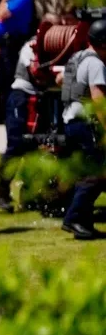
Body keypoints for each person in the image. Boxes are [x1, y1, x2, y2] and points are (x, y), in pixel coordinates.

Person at [0, 13, 62, 212]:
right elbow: (37, 74)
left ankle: (29, 195)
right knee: (16, 145)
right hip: (21, 98)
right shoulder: (31, 46)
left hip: (41, 99)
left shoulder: (58, 49)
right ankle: (0, 191)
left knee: (35, 147)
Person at [58, 19, 106, 240]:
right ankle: (74, 218)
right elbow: (98, 100)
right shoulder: (96, 64)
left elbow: (60, 79)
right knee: (97, 173)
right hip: (85, 124)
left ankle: (84, 224)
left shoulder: (76, 58)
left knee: (83, 174)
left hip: (70, 122)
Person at [0, 0, 37, 121]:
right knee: (2, 79)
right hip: (4, 43)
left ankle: (11, 113)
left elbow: (2, 15)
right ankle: (3, 112)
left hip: (14, 43)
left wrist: (3, 0)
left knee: (9, 79)